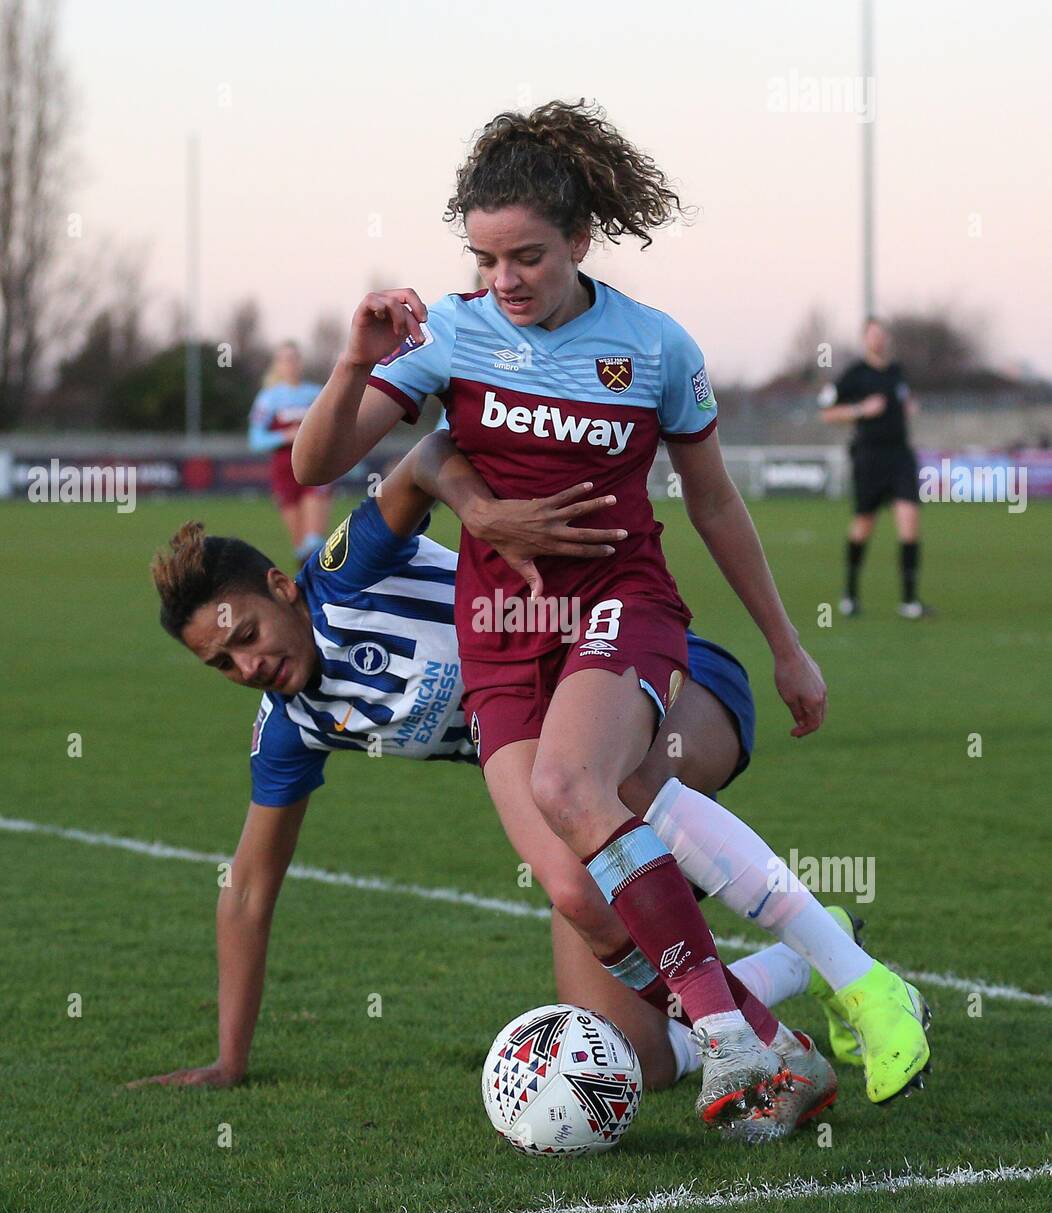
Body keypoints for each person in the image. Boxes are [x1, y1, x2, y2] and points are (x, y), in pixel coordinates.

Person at [292, 100, 931, 1122]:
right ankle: (781, 1045)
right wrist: (352, 357)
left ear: (580, 238)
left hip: (618, 606)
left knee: (573, 782)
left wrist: (785, 644)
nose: (505, 281)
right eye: (485, 257)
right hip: (499, 645)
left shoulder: (654, 347)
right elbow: (314, 462)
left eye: (528, 257)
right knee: (580, 895)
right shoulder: (449, 334)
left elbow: (713, 501)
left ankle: (737, 1036)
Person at [135, 438, 855, 1142]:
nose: (247, 663)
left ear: (283, 588)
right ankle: (802, 969)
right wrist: (230, 1061)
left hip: (678, 686)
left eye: (249, 635)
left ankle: (814, 1003)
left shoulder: (348, 573)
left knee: (602, 809)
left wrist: (476, 510)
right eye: (222, 663)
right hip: (571, 798)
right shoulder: (292, 724)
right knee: (631, 1056)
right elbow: (250, 890)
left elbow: (423, 457)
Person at [819, 317, 931, 618]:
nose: (878, 340)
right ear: (865, 339)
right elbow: (827, 413)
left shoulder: (897, 372)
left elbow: (904, 399)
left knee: (909, 521)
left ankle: (910, 601)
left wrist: (908, 407)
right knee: (863, 526)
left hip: (901, 456)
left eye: (882, 335)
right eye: (873, 335)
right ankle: (850, 595)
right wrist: (860, 409)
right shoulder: (855, 375)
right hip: (870, 457)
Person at [248, 341, 333, 565]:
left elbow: (333, 427)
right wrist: (286, 436)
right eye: (285, 360)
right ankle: (308, 595)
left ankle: (328, 593)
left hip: (316, 469)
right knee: (301, 551)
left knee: (314, 544)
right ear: (277, 365)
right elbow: (256, 440)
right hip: (284, 473)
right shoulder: (268, 399)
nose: (291, 364)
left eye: (294, 359)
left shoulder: (316, 393)